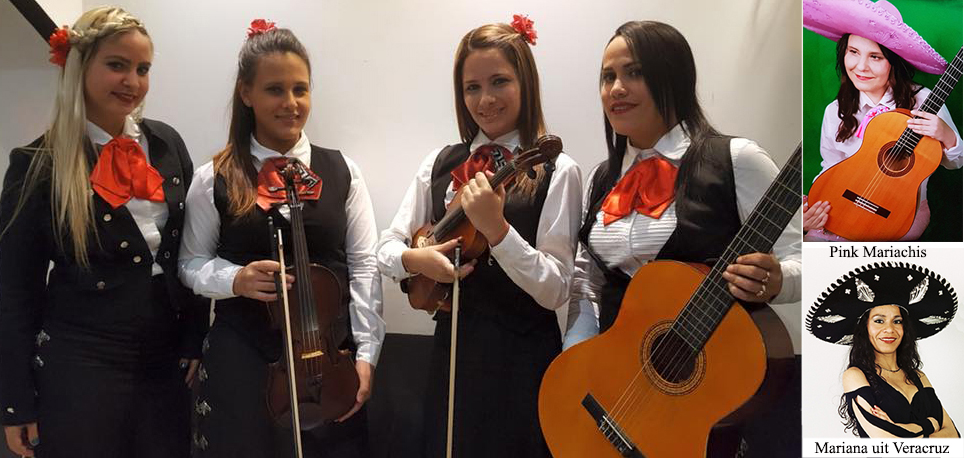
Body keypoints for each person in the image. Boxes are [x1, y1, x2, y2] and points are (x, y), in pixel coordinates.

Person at [562, 21, 802, 456]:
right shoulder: (603, 177)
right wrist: (579, 360)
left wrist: (779, 280)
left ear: (673, 76)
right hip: (617, 390)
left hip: (707, 391)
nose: (617, 88)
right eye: (607, 76)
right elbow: (587, 281)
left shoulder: (736, 159)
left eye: (633, 72)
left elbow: (802, 256)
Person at [0, 7, 204, 457]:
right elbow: (14, 289)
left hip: (164, 359)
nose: (132, 81)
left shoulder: (166, 144)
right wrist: (14, 402)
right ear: (80, 66)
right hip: (78, 361)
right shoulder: (38, 164)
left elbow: (190, 249)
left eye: (142, 69)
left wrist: (193, 336)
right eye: (117, 65)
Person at [375, 15, 582, 458]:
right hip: (453, 354)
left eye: (499, 82)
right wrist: (418, 261)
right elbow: (386, 247)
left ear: (525, 83)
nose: (485, 99)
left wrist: (497, 230)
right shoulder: (439, 163)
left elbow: (557, 289)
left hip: (523, 360)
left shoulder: (558, 170)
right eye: (472, 87)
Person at [178, 20, 384, 457]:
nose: (291, 103)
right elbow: (190, 263)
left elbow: (364, 266)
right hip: (242, 362)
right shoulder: (212, 177)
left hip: (328, 367)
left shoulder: (344, 171)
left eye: (301, 89)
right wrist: (235, 280)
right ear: (246, 93)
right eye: (275, 90)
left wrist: (367, 354)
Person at [802, 0, 962, 241]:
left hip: (900, 212)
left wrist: (946, 135)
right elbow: (831, 165)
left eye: (875, 57)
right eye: (853, 52)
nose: (861, 66)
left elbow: (956, 163)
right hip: (846, 201)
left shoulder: (923, 101)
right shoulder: (836, 110)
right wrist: (815, 207)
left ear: (894, 62)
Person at [807, 262, 959, 438]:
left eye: (897, 321)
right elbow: (884, 440)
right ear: (865, 328)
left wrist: (900, 429)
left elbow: (954, 436)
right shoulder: (855, 375)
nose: (889, 329)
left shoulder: (919, 377)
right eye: (879, 321)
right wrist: (931, 424)